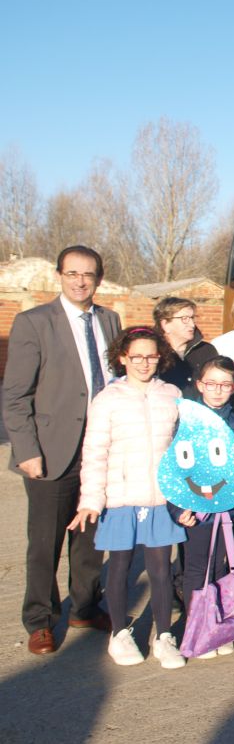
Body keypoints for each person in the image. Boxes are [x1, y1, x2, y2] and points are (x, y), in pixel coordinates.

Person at [3, 245, 120, 655]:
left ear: (98, 279)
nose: (80, 281)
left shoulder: (109, 320)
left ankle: (85, 606)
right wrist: (26, 450)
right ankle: (40, 618)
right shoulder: (33, 322)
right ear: (59, 276)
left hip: (98, 448)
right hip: (51, 452)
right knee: (45, 541)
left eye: (88, 274)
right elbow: (15, 396)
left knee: (89, 537)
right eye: (72, 273)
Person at [67, 327, 186, 668]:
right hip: (120, 498)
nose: (145, 363)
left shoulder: (171, 394)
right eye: (137, 356)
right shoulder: (107, 399)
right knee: (119, 567)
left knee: (161, 569)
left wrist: (186, 496)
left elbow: (182, 450)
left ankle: (164, 636)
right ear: (122, 358)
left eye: (151, 356)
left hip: (161, 499)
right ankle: (119, 633)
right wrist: (91, 499)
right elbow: (94, 452)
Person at [166, 356, 234, 658]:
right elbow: (175, 470)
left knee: (223, 567)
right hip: (197, 513)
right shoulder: (186, 422)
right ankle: (198, 626)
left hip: (229, 513)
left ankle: (218, 623)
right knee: (196, 568)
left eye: (224, 385)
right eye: (211, 383)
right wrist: (179, 510)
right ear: (200, 385)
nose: (217, 390)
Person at [154, 297, 218, 399]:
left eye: (192, 318)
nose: (192, 325)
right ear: (165, 324)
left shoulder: (207, 351)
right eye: (184, 319)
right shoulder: (153, 353)